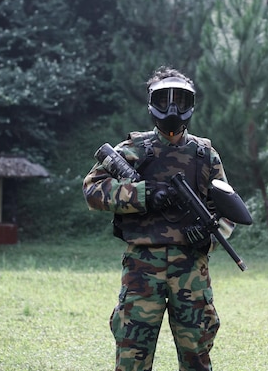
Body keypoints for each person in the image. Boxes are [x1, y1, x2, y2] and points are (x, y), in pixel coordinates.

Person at [82, 66, 234, 371]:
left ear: (191, 104)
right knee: (132, 354)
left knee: (197, 356)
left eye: (180, 100)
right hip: (142, 267)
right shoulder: (133, 150)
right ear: (153, 103)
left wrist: (209, 235)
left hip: (191, 268)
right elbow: (93, 190)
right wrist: (143, 195)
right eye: (165, 100)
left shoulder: (205, 155)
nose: (173, 109)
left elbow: (227, 210)